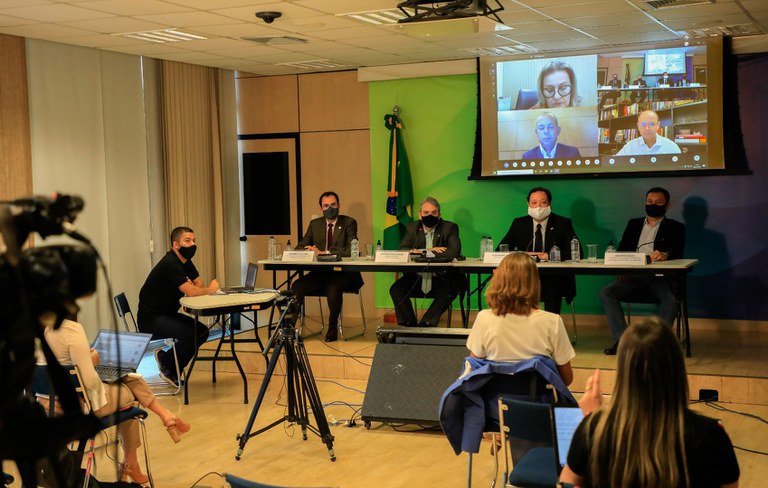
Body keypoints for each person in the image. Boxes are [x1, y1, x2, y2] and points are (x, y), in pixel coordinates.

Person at [560, 317, 740, 488]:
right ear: (676, 369)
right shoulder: (711, 436)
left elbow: (566, 483)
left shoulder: (593, 431)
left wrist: (588, 420)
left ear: (624, 373)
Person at [39, 318, 191, 484]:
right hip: (79, 407)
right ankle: (136, 456)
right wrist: (93, 360)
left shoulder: (35, 327)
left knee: (126, 376)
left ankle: (165, 417)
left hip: (46, 404)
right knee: (130, 395)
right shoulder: (70, 329)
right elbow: (89, 382)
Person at [599, 187, 685, 354]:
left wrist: (665, 255)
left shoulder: (676, 227)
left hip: (659, 277)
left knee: (672, 299)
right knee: (606, 292)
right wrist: (623, 268)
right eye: (650, 202)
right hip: (633, 276)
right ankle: (622, 342)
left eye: (658, 202)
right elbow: (623, 249)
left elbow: (678, 253)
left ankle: (658, 344)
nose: (653, 205)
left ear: (667, 205)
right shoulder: (634, 224)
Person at [466, 252, 575, 385]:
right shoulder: (552, 321)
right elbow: (566, 379)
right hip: (537, 402)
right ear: (534, 282)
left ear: (499, 279)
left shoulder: (484, 318)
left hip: (494, 402)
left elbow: (473, 370)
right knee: (570, 406)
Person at [138, 226, 219, 387]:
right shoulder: (170, 263)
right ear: (176, 244)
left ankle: (169, 364)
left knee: (202, 331)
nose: (192, 245)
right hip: (151, 318)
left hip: (166, 314)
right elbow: (192, 290)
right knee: (190, 335)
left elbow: (197, 284)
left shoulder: (185, 262)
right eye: (187, 241)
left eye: (194, 241)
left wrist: (194, 289)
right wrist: (212, 289)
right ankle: (168, 364)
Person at [291, 191, 364, 342]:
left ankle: (332, 327)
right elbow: (300, 247)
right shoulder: (315, 224)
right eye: (326, 206)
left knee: (333, 286)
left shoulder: (349, 223)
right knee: (297, 285)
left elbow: (351, 251)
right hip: (321, 273)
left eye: (333, 205)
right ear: (321, 208)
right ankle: (289, 329)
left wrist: (323, 252)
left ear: (339, 205)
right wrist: (308, 251)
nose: (330, 208)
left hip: (344, 274)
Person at [498, 187, 579, 314]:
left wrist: (547, 256)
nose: (538, 207)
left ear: (549, 204)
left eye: (543, 202)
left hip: (553, 277)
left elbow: (576, 253)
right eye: (534, 203)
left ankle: (550, 328)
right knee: (510, 285)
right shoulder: (519, 223)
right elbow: (501, 249)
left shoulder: (562, 223)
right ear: (528, 204)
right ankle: (519, 327)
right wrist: (522, 255)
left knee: (552, 286)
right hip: (524, 276)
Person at [389, 196, 462, 327]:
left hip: (441, 278)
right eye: (426, 213)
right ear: (420, 215)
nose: (430, 216)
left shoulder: (449, 228)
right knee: (396, 289)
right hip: (417, 278)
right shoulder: (413, 228)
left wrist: (419, 252)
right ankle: (409, 325)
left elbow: (453, 251)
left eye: (434, 213)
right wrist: (430, 250)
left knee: (450, 290)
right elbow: (403, 250)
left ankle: (426, 324)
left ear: (439, 215)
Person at [616, 110, 681, 156]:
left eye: (651, 124)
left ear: (658, 125)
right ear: (638, 126)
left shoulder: (672, 147)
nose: (647, 128)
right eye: (643, 124)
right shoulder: (629, 147)